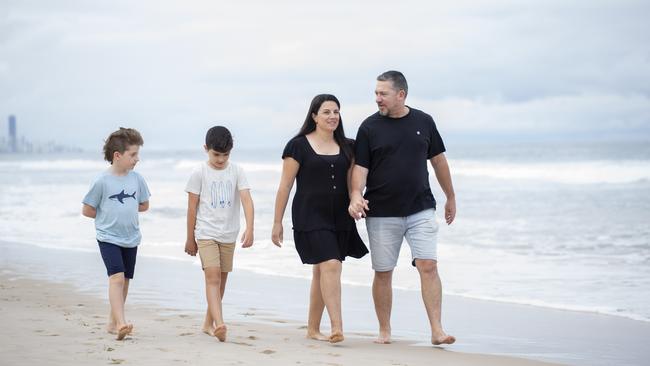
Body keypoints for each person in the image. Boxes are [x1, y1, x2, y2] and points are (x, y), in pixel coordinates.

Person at [348, 71, 457, 346]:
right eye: (376, 93)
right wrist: (355, 195)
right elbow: (360, 169)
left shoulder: (424, 122)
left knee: (428, 265)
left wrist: (451, 197)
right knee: (383, 272)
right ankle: (385, 331)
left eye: (383, 93)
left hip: (420, 208)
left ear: (401, 94)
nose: (377, 99)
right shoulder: (369, 128)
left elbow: (439, 161)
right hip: (382, 212)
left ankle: (437, 330)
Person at [272, 94, 368, 344]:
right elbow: (285, 186)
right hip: (309, 214)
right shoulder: (298, 146)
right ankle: (337, 327)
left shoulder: (349, 146)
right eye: (326, 112)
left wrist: (355, 200)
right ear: (314, 116)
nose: (332, 116)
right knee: (332, 265)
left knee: (322, 270)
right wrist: (276, 222)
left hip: (339, 216)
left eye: (336, 111)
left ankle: (313, 329)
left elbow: (352, 184)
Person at [184, 125, 254, 342]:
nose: (221, 159)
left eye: (226, 155)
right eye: (216, 154)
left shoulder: (237, 171)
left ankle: (207, 323)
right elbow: (192, 207)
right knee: (212, 277)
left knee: (221, 282)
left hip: (229, 234)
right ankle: (220, 323)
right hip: (206, 232)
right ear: (206, 149)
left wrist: (250, 228)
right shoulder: (199, 172)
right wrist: (190, 238)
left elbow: (246, 200)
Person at [82, 127, 150, 340]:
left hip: (131, 237)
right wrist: (108, 217)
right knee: (116, 278)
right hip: (108, 237)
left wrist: (125, 210)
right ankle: (121, 323)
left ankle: (112, 322)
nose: (137, 159)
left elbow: (144, 205)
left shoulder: (137, 179)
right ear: (117, 156)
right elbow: (87, 209)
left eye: (137, 154)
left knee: (126, 280)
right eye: (133, 155)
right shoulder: (102, 181)